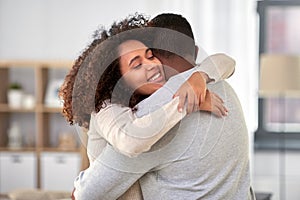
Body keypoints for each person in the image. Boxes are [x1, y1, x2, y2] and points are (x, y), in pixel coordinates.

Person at [71, 13, 255, 200]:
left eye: (150, 56)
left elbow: (88, 193)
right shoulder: (223, 86)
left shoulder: (151, 112)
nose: (151, 66)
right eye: (137, 65)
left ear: (155, 53)